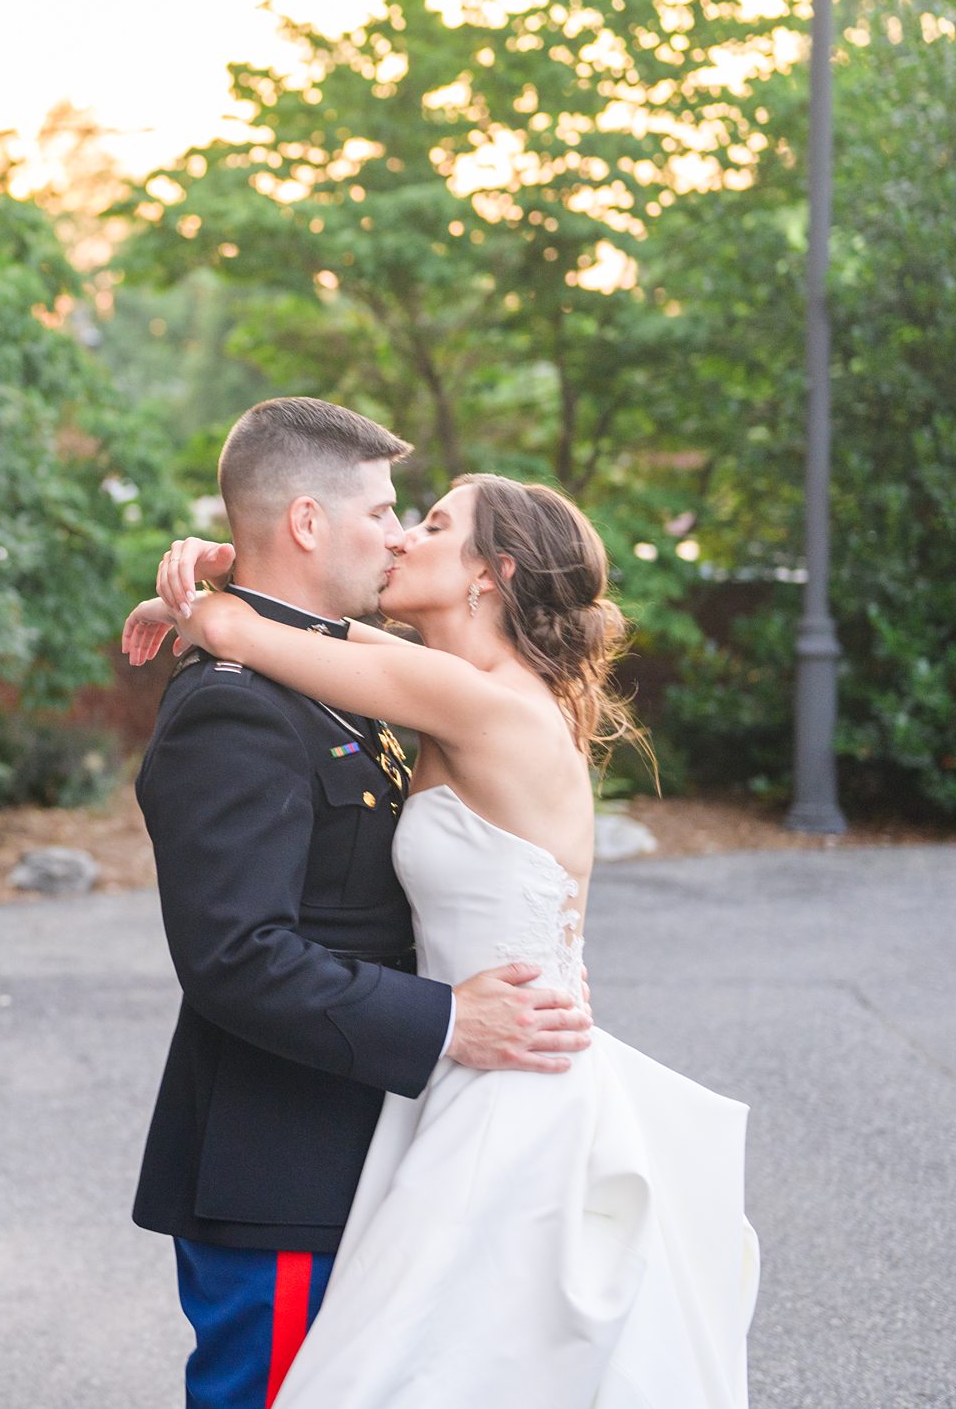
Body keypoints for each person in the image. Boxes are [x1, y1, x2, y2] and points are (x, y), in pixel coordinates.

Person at [127, 432, 759, 1406]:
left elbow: (266, 634)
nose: (397, 537)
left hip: (498, 1094)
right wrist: (221, 585)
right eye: (387, 514)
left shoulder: (473, 704)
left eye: (423, 523)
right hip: (427, 1092)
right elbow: (305, 639)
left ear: (487, 575)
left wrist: (210, 598)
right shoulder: (428, 692)